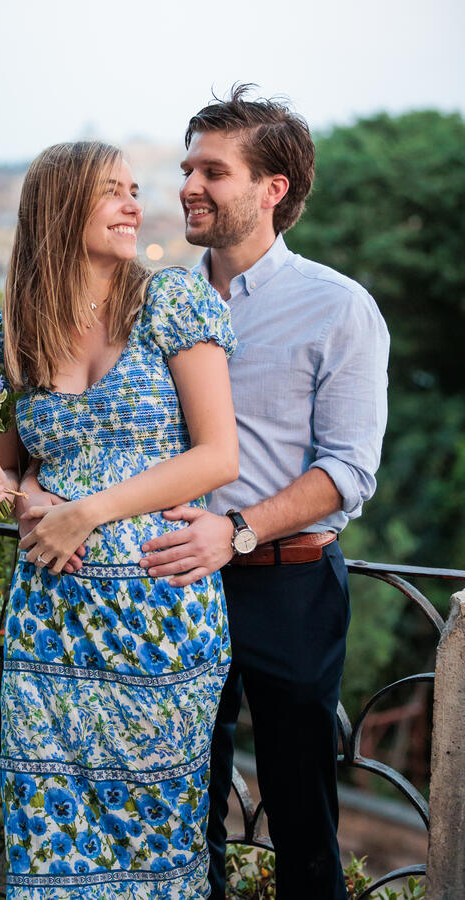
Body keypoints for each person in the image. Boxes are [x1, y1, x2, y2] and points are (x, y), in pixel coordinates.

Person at [0, 140, 239, 899]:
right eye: (111, 192)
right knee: (49, 835)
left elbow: (219, 456)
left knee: (158, 832)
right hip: (50, 621)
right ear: (59, 209)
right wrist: (21, 495)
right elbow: (3, 466)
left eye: (132, 189)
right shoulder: (8, 338)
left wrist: (85, 511)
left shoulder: (172, 304)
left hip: (158, 613)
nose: (134, 204)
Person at [139, 86, 390, 900]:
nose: (188, 186)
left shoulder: (339, 307)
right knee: (179, 812)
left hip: (287, 585)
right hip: (170, 578)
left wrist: (236, 530)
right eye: (186, 168)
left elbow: (349, 469)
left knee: (301, 820)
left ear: (271, 189)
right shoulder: (158, 303)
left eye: (213, 170)